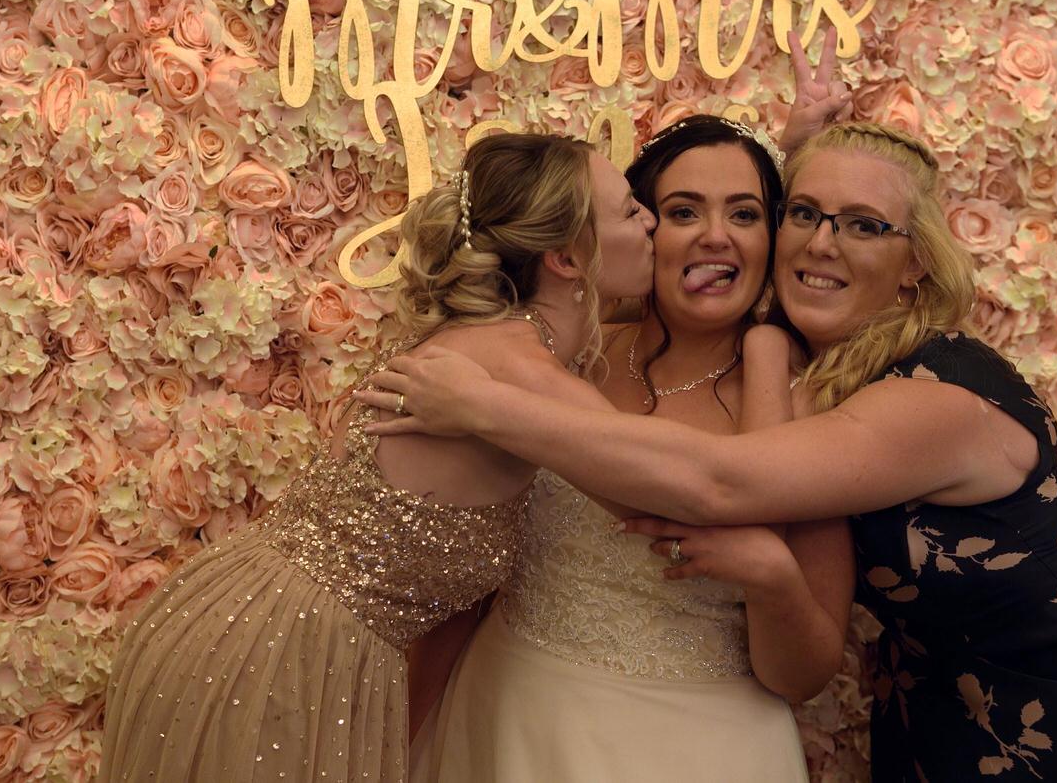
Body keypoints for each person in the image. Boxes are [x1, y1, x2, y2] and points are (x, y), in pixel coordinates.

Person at [358, 122, 1057, 781]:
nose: (812, 241)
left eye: (860, 227)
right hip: (942, 703)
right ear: (636, 228)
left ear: (917, 266)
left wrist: (482, 407)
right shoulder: (607, 354)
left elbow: (724, 482)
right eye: (806, 215)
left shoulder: (923, 394)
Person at [98, 132, 656, 783]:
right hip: (281, 655)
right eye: (629, 211)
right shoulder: (521, 369)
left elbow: (448, 609)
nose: (650, 222)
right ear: (565, 258)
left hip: (250, 626)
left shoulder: (495, 351)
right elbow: (682, 490)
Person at [412, 115, 853, 782]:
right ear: (638, 232)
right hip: (511, 720)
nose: (715, 236)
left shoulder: (811, 407)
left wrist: (775, 576)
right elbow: (465, 579)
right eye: (681, 211)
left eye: (744, 213)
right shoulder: (564, 361)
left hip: (703, 750)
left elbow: (803, 674)